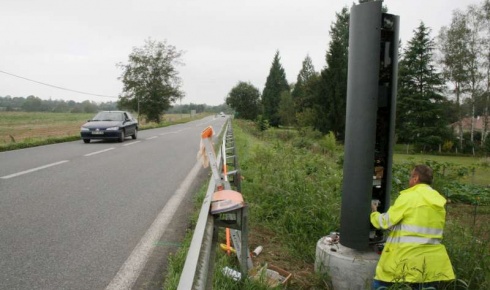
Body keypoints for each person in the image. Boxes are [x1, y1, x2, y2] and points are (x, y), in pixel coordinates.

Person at [370, 164, 455, 290]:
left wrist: (374, 213)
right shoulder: (438, 201)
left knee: (379, 285)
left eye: (411, 177)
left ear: (415, 178)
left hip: (405, 260)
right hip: (431, 264)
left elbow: (385, 222)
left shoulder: (409, 197)